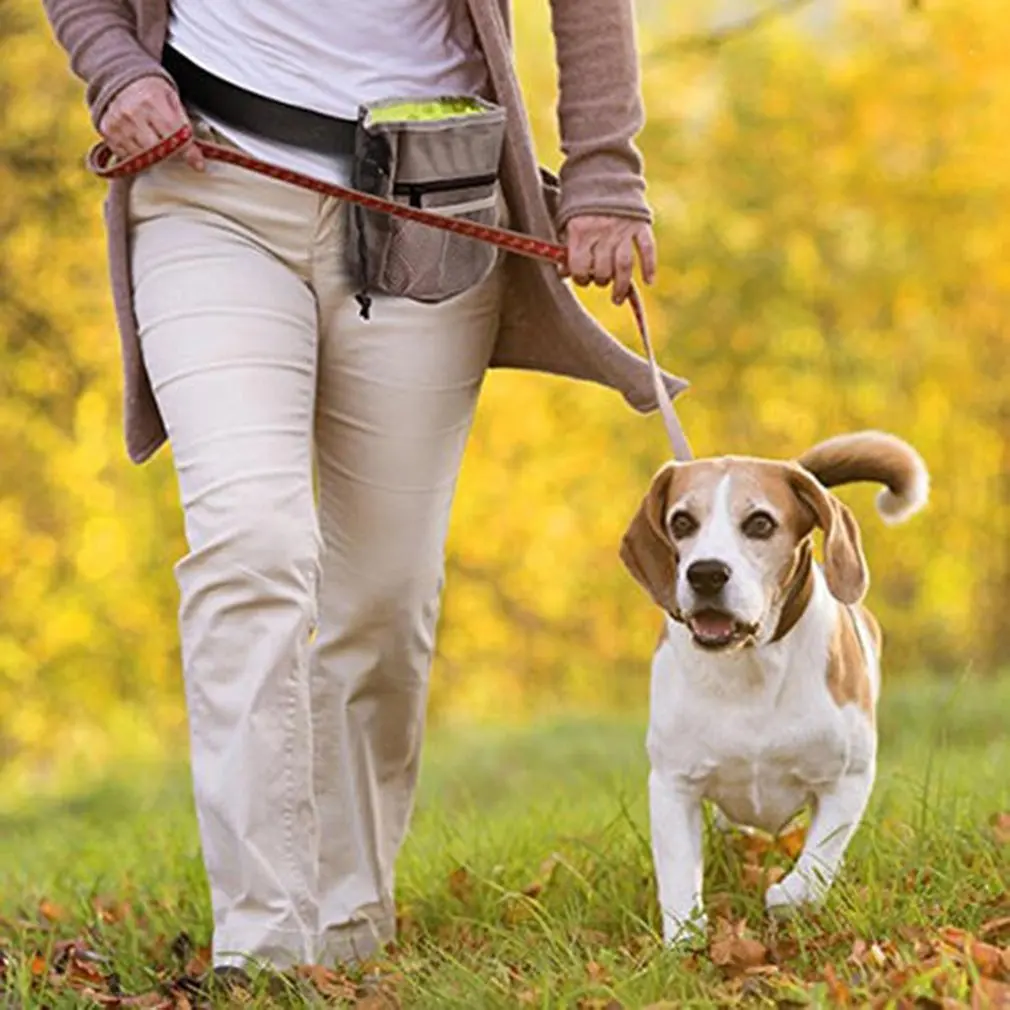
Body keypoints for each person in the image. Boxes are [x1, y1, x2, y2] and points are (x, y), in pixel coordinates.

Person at [42, 0, 687, 979]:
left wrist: (603, 172)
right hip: (207, 182)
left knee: (383, 598)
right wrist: (114, 65)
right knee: (249, 540)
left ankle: (342, 929)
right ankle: (261, 945)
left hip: (428, 204)